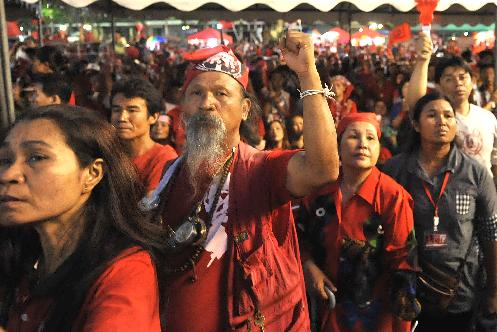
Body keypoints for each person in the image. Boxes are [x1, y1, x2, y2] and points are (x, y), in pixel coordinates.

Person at [140, 32, 339, 331]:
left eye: (221, 94)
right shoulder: (168, 174)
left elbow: (323, 169)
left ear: (245, 109)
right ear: (181, 108)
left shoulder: (262, 169)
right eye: (196, 93)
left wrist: (307, 74)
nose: (207, 103)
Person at [0, 105, 164, 331]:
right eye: (5, 160)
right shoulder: (23, 257)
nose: (8, 174)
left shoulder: (124, 271)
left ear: (92, 174)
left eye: (37, 157)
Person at [383, 92, 497, 331]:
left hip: (460, 288)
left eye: (448, 115)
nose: (442, 121)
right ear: (416, 125)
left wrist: (495, 291)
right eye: (432, 115)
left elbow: (492, 233)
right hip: (406, 288)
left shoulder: (475, 173)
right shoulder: (396, 169)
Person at [298, 112, 419, 332]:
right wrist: (309, 266)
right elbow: (297, 236)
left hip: (373, 316)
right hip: (321, 311)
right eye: (353, 136)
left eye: (371, 138)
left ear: (379, 149)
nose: (363, 144)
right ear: (339, 145)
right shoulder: (319, 190)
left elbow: (403, 264)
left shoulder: (393, 197)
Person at [405, 33, 497, 189]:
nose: (458, 83)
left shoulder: (488, 118)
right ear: (438, 85)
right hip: (447, 195)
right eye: (449, 79)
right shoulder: (437, 119)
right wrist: (423, 61)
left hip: (483, 194)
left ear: (472, 81)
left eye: (462, 77)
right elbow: (415, 104)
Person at [111, 78, 177, 193]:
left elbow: (149, 207)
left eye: (132, 110)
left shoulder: (164, 158)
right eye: (116, 110)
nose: (122, 118)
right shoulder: (107, 153)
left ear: (153, 117)